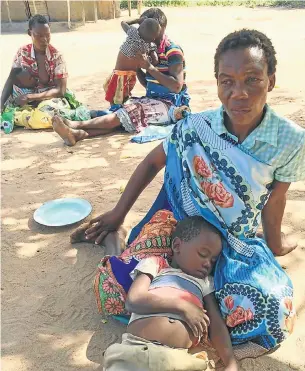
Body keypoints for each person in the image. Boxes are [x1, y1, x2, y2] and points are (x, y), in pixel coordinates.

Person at [77, 29, 305, 359]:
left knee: (266, 309)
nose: (238, 93)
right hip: (182, 228)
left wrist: (274, 246)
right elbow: (154, 160)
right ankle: (121, 235)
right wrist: (118, 213)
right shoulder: (196, 126)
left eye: (252, 79)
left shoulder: (290, 141)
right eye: (226, 80)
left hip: (231, 240)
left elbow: (276, 199)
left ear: (270, 80)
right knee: (114, 290)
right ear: (216, 82)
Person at [103, 216, 239, 371]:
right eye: (202, 254)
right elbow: (134, 301)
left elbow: (217, 324)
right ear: (177, 246)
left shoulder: (205, 282)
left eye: (213, 260)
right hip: (137, 350)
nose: (207, 263)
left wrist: (230, 362)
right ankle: (112, 239)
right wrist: (183, 307)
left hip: (180, 359)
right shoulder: (156, 265)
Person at [52, 8, 190, 146]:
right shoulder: (148, 47)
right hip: (153, 100)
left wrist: (149, 67)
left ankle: (76, 125)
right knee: (122, 114)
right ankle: (77, 135)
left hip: (171, 105)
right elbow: (149, 85)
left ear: (160, 28)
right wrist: (136, 67)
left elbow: (176, 87)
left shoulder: (173, 51)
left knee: (128, 112)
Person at [0, 14, 90, 131]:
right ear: (30, 33)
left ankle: (29, 118)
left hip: (48, 99)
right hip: (23, 99)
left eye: (47, 35)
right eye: (39, 35)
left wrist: (31, 97)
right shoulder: (23, 52)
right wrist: (1, 103)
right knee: (9, 107)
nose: (44, 40)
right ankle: (29, 117)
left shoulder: (56, 56)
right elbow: (12, 78)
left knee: (50, 113)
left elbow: (60, 90)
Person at [104, 17, 160, 105]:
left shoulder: (134, 33)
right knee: (122, 98)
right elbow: (155, 61)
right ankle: (118, 112)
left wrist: (137, 20)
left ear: (140, 27)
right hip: (131, 77)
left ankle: (114, 113)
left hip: (119, 75)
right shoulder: (149, 45)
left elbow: (123, 23)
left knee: (114, 99)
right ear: (153, 38)